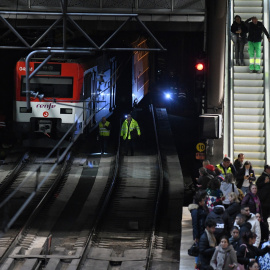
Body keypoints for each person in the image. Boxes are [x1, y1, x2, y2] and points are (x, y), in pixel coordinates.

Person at [188, 191, 209, 270]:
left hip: (203, 232)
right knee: (198, 250)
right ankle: (198, 265)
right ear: (200, 201)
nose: (205, 201)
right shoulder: (195, 211)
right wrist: (196, 236)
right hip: (199, 233)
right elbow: (195, 224)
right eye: (203, 200)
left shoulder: (202, 208)